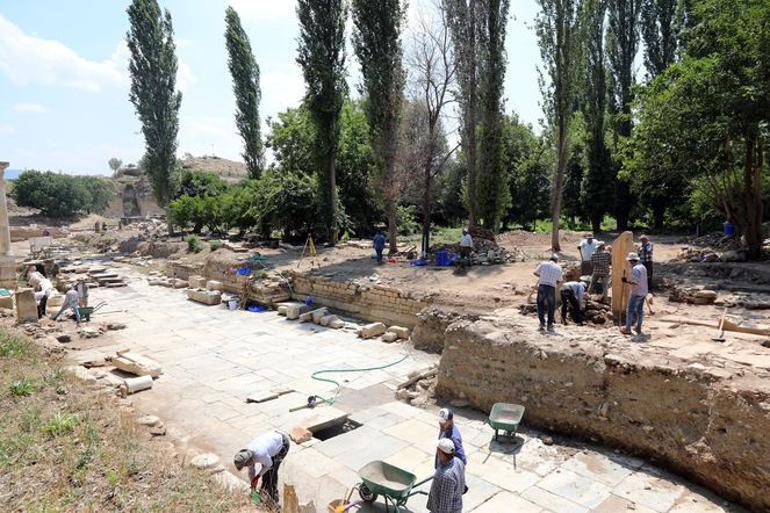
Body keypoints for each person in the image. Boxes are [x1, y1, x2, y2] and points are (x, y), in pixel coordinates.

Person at [233, 431, 291, 504]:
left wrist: (257, 477)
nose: (245, 466)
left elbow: (269, 465)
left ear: (248, 460)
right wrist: (253, 482)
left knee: (271, 474)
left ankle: (272, 499)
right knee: (265, 473)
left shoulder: (260, 455)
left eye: (245, 465)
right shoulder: (247, 454)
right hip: (271, 441)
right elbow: (251, 471)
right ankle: (262, 493)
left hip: (282, 443)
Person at [427, 438, 465, 513]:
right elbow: (462, 487)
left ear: (440, 453)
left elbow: (445, 506)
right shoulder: (458, 461)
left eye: (437, 450)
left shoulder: (447, 476)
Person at [620, 252, 648, 335]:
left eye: (629, 262)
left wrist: (626, 281)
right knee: (639, 310)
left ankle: (628, 328)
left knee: (630, 310)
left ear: (631, 261)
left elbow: (635, 282)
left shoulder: (635, 269)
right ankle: (638, 327)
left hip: (636, 292)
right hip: (643, 291)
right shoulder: (643, 267)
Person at [534, 254, 563, 332]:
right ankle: (550, 325)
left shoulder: (543, 264)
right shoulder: (558, 267)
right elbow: (559, 280)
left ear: (549, 259)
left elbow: (535, 273)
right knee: (551, 306)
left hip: (542, 286)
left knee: (540, 304)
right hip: (551, 287)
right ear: (556, 261)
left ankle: (542, 324)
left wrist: (542, 276)